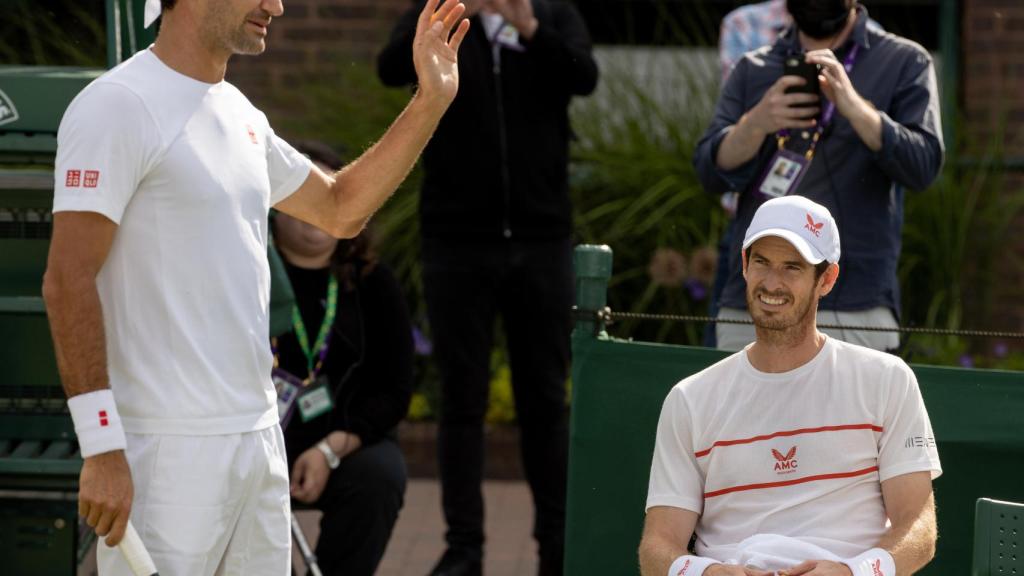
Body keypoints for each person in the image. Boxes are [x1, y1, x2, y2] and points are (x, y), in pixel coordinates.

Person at [43, 0, 470, 574]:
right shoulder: (115, 106)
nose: (276, 5)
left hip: (259, 444)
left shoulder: (241, 112)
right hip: (164, 454)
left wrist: (430, 101)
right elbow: (67, 280)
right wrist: (101, 448)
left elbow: (341, 211)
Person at [377, 1, 598, 574]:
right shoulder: (441, 12)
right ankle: (464, 549)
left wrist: (528, 25)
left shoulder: (551, 14)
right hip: (456, 241)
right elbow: (388, 67)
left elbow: (584, 76)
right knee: (461, 399)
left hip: (541, 237)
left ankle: (557, 546)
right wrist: (447, 20)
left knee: (545, 399)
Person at [639, 195, 942, 576]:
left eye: (792, 268)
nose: (772, 283)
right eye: (762, 262)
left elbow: (919, 529)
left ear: (827, 279)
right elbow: (657, 547)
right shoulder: (689, 398)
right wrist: (708, 573)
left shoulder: (887, 380)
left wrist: (851, 572)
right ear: (745, 266)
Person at [695, 0, 944, 353]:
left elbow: (923, 167)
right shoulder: (754, 68)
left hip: (856, 303)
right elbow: (709, 173)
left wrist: (854, 107)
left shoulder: (904, 60)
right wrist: (757, 122)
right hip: (754, 303)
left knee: (848, 412)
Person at [271, 142, 413, 576]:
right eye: (308, 190)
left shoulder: (372, 282)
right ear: (276, 202)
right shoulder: (248, 267)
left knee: (379, 475)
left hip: (338, 441)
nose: (321, 203)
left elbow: (394, 390)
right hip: (252, 441)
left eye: (334, 189)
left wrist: (331, 449)